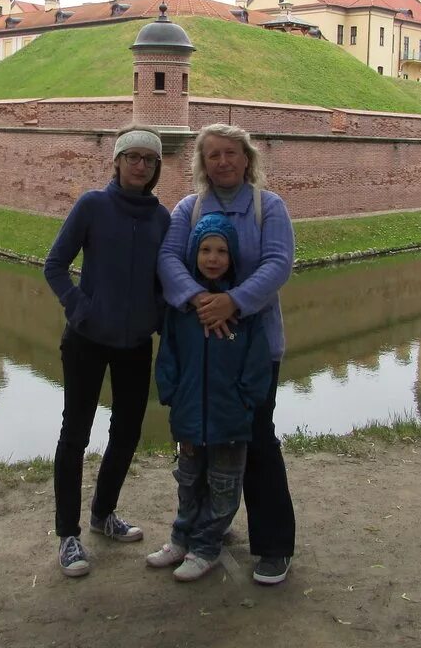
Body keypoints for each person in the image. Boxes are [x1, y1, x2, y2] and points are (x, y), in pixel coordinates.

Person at [157, 123, 297, 585]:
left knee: (254, 439)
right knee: (198, 444)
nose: (222, 162)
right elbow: (170, 260)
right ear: (203, 161)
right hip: (199, 344)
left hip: (253, 347)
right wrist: (202, 302)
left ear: (246, 158)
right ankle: (203, 533)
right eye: (213, 155)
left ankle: (275, 546)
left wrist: (232, 301)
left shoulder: (267, 206)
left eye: (230, 154)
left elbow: (279, 263)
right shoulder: (188, 208)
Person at [43, 125, 171, 578]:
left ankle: (103, 513)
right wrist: (81, 309)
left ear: (156, 168)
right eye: (132, 157)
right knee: (74, 434)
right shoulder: (92, 205)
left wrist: (155, 316)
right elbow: (55, 265)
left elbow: (164, 278)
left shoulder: (161, 218)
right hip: (87, 339)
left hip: (135, 343)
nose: (139, 165)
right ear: (115, 162)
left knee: (127, 432)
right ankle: (68, 535)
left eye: (148, 160)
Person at [148, 213, 272, 582]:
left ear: (232, 257)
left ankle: (207, 546)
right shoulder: (182, 309)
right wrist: (169, 392)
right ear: (193, 254)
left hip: (229, 418)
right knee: (188, 480)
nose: (213, 258)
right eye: (205, 250)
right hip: (188, 415)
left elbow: (257, 364)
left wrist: (245, 401)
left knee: (223, 486)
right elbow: (168, 355)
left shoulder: (243, 313)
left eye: (221, 251)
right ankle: (181, 537)